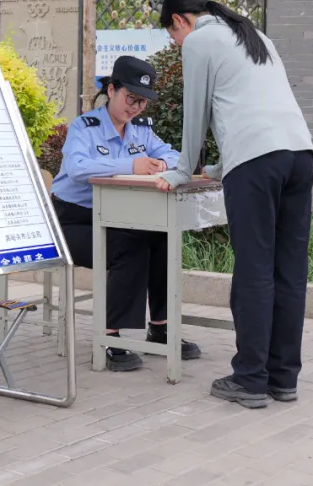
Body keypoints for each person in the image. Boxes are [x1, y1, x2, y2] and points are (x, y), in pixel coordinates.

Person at [155, 0, 313, 409]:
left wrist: (182, 170)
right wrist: (222, 167)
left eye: (172, 36)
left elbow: (197, 113)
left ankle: (249, 379)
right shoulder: (254, 34)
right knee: (289, 272)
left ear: (180, 20)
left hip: (257, 164)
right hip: (299, 156)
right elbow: (254, 106)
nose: (176, 43)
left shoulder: (199, 41)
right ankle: (283, 378)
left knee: (254, 271)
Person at [51, 55, 202, 372]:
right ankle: (109, 337)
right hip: (72, 220)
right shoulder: (85, 127)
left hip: (116, 216)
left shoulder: (141, 131)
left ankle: (160, 328)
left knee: (161, 238)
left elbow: (174, 156)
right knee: (129, 246)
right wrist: (131, 165)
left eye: (142, 102)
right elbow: (78, 168)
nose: (135, 108)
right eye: (130, 98)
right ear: (111, 89)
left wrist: (162, 163)